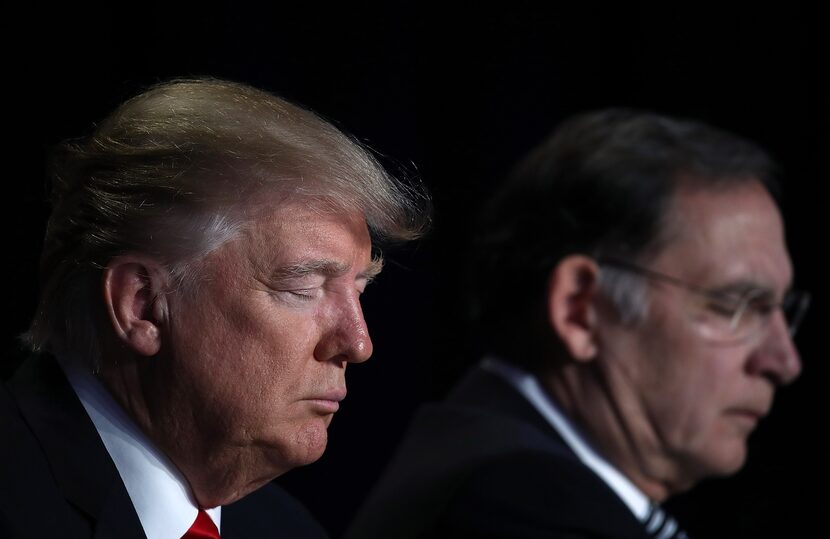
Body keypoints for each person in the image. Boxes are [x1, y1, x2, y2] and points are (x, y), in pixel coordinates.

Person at [347, 109, 808, 538]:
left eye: (782, 310)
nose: (784, 362)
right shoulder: (523, 511)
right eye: (735, 305)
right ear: (580, 309)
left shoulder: (486, 455)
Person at [0, 78, 428, 538]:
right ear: (141, 305)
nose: (358, 343)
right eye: (304, 287)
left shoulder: (288, 530)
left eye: (359, 289)